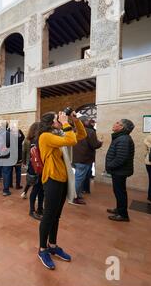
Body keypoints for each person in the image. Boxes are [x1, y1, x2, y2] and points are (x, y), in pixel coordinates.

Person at [37, 111, 87, 270]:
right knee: (48, 215)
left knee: (56, 216)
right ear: (52, 122)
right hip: (52, 179)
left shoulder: (59, 134)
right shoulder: (45, 136)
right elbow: (71, 140)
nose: (60, 121)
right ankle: (42, 249)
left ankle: (52, 245)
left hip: (63, 179)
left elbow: (82, 135)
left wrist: (74, 119)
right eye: (57, 119)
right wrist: (66, 123)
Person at [105, 119, 135, 222]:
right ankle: (119, 209)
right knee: (118, 191)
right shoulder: (121, 137)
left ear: (122, 127)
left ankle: (123, 215)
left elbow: (121, 158)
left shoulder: (123, 139)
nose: (114, 124)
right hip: (119, 170)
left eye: (117, 123)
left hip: (120, 171)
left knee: (120, 192)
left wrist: (110, 165)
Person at [71, 116, 103, 205]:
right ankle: (74, 197)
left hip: (75, 157)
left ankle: (77, 194)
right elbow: (94, 144)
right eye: (88, 120)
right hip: (84, 158)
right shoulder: (90, 131)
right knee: (79, 179)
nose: (90, 122)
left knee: (78, 178)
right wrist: (100, 143)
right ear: (84, 122)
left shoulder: (73, 130)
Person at [24, 122, 43, 220]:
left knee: (40, 189)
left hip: (33, 166)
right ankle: (32, 210)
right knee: (36, 189)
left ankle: (40, 208)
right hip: (36, 167)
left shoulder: (29, 140)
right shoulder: (36, 140)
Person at [0, 122, 13, 196]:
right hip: (6, 156)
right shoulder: (8, 134)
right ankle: (5, 191)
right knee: (6, 173)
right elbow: (10, 145)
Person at [10, 126, 25, 190]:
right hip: (18, 157)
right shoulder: (20, 139)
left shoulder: (10, 138)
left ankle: (10, 184)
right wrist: (18, 130)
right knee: (18, 172)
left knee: (10, 171)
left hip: (11, 157)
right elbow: (23, 136)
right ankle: (17, 185)